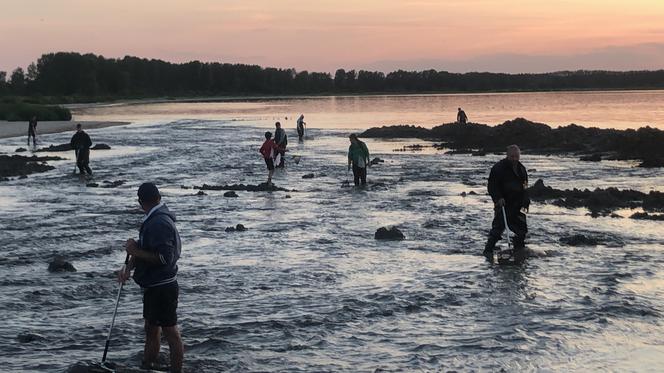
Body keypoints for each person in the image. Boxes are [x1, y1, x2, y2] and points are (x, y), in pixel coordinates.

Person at [118, 183, 184, 372]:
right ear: (158, 197)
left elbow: (164, 257)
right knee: (151, 327)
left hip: (163, 286)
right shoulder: (155, 218)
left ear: (140, 202)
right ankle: (148, 365)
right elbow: (149, 248)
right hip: (155, 284)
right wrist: (129, 266)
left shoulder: (159, 222)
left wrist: (134, 250)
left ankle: (176, 370)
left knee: (170, 331)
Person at [484, 145, 530, 262]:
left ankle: (518, 249)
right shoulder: (498, 168)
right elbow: (492, 185)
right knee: (497, 229)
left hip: (518, 204)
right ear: (507, 155)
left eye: (517, 156)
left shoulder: (521, 169)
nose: (514, 159)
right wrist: (498, 198)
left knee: (522, 229)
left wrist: (526, 200)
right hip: (503, 203)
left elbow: (525, 185)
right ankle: (488, 251)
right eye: (512, 156)